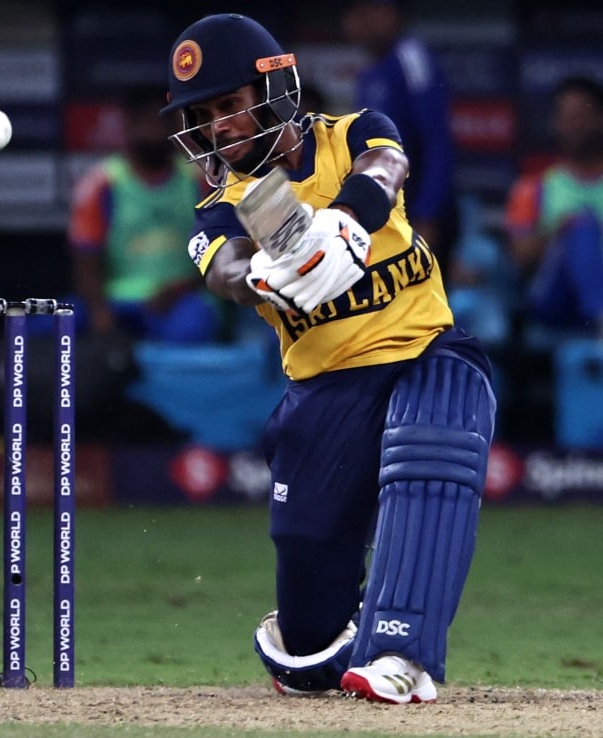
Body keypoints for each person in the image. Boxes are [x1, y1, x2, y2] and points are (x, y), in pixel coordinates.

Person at [162, 14, 496, 703]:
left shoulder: (355, 131)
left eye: (230, 105)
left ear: (272, 91)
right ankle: (324, 643)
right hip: (324, 392)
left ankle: (402, 653)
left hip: (423, 350)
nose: (221, 127)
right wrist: (265, 274)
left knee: (433, 448)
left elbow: (388, 166)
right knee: (310, 638)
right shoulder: (224, 207)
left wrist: (344, 222)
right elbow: (223, 269)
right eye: (204, 116)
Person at [68, 84, 219, 343]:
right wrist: (100, 312)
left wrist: (179, 289)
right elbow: (86, 260)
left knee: (193, 324)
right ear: (127, 124)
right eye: (144, 121)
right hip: (116, 300)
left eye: (161, 122)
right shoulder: (99, 185)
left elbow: (218, 254)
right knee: (53, 323)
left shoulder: (199, 181)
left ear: (175, 125)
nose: (153, 131)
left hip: (181, 300)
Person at [342, 0, 459, 263]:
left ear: (391, 13)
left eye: (369, 12)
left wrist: (427, 214)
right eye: (355, 14)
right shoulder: (369, 73)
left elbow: (437, 141)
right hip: (381, 213)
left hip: (417, 210)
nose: (361, 23)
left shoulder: (411, 58)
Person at [504, 75, 603, 335]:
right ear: (555, 123)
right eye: (567, 117)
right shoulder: (533, 186)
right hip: (553, 300)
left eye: (582, 115)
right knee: (582, 227)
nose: (575, 125)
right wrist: (560, 232)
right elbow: (521, 257)